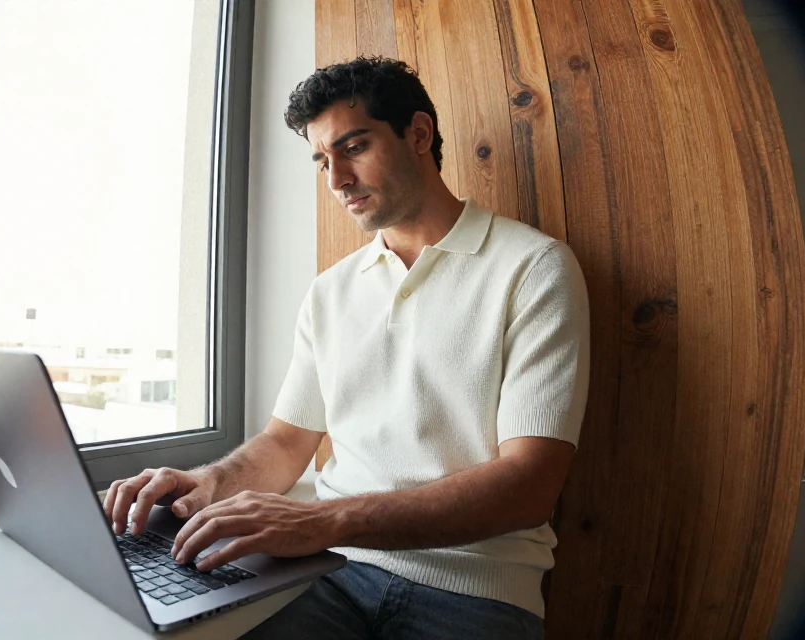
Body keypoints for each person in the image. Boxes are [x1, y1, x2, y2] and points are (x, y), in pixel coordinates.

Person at [103, 57, 589, 640]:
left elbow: (530, 486)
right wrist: (209, 483)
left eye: (353, 147)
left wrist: (320, 521)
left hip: (474, 592)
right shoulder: (331, 291)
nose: (336, 180)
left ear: (418, 134)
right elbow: (286, 442)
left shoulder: (533, 269)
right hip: (335, 572)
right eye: (321, 160)